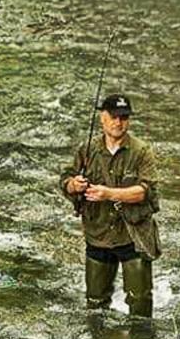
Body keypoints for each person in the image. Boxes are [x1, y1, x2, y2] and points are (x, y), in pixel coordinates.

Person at [60, 93, 160, 317]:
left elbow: (146, 191)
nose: (119, 122)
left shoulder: (141, 151)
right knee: (95, 304)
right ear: (102, 118)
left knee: (140, 300)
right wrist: (74, 185)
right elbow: (65, 180)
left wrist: (109, 194)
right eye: (114, 116)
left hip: (133, 236)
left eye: (124, 117)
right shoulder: (86, 150)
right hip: (98, 234)